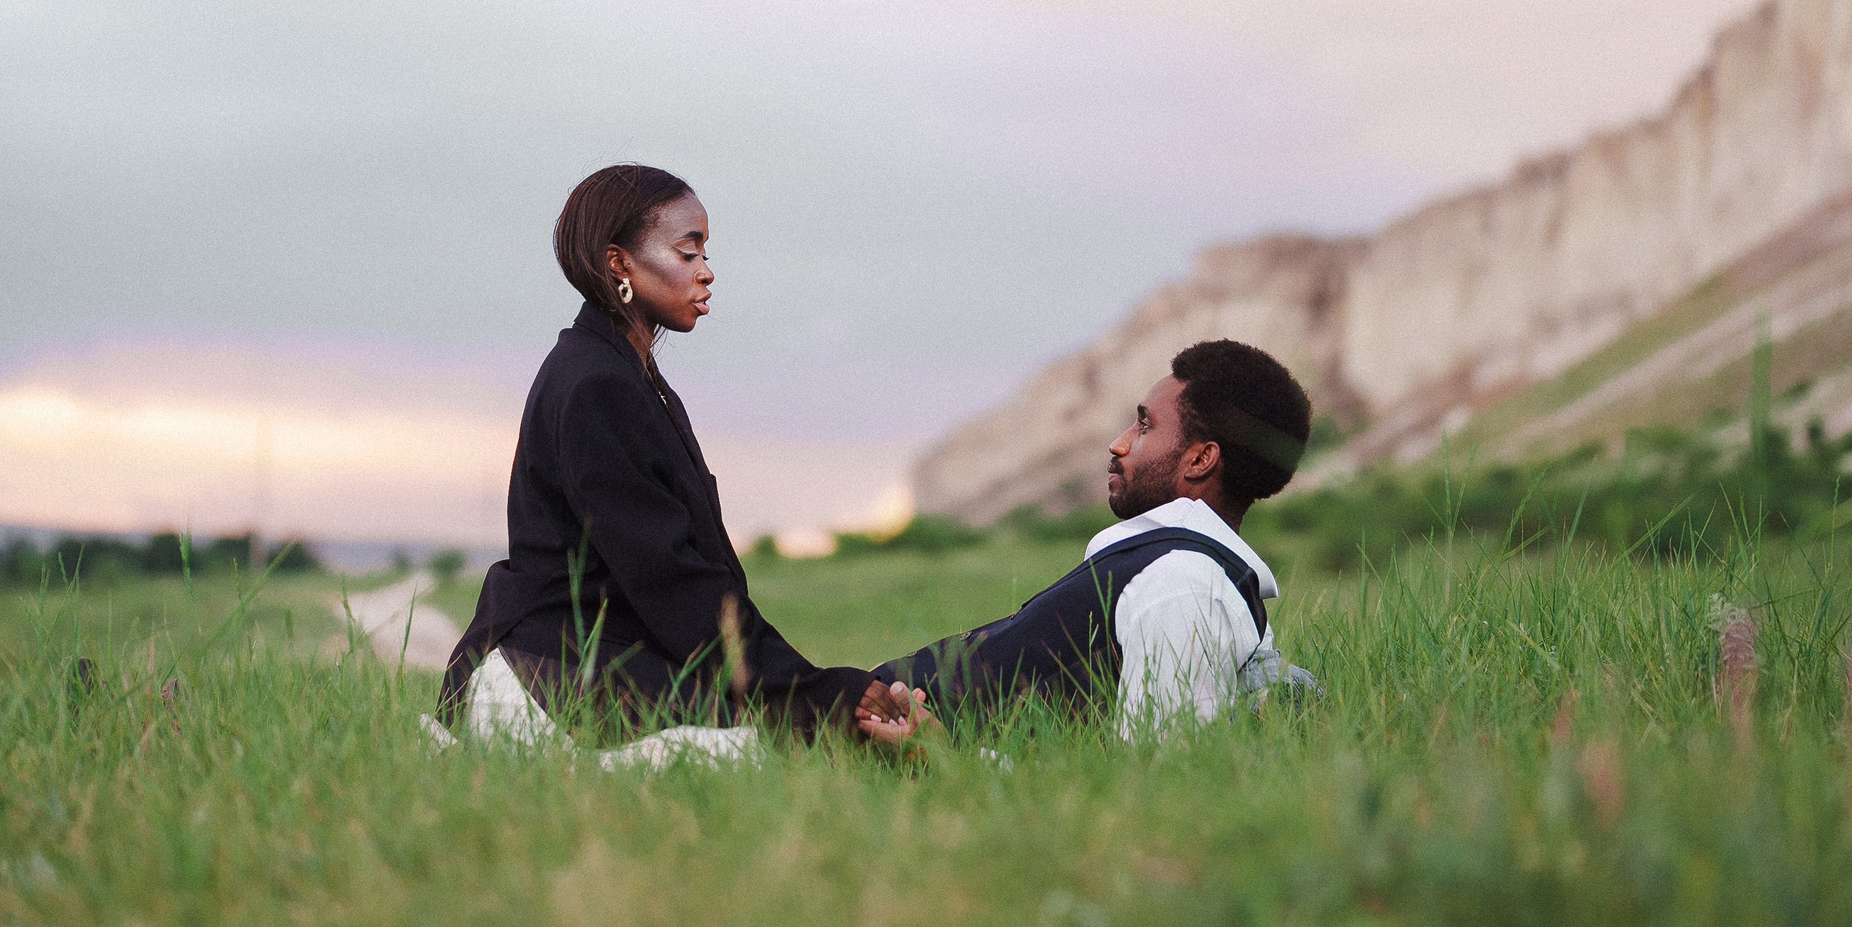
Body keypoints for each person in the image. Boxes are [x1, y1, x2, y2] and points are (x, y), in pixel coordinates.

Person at [440, 165, 878, 738]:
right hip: (542, 677)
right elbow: (670, 579)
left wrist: (811, 690)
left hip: (603, 659)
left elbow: (684, 580)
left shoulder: (629, 376)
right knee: (762, 745)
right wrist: (817, 692)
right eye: (687, 253)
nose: (707, 273)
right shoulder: (595, 384)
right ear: (619, 263)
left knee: (805, 728)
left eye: (704, 254)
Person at [857, 338, 1319, 748]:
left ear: (1200, 459)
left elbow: (1156, 777)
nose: (1119, 444)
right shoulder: (1181, 572)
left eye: (1144, 426)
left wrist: (943, 759)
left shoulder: (1182, 584)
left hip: (863, 746)